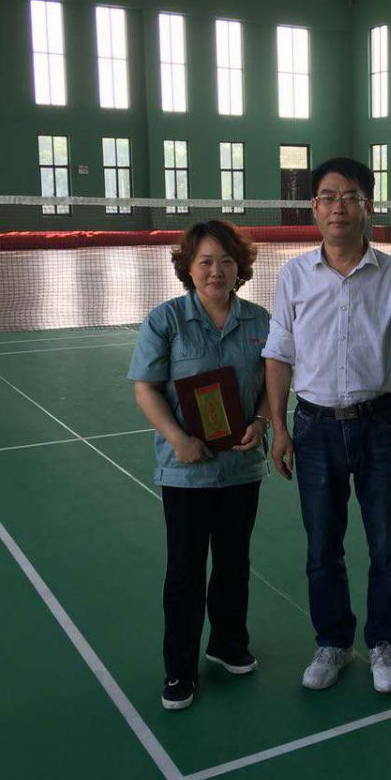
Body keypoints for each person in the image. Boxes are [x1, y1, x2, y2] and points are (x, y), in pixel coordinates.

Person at [263, 157, 391, 694]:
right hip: (314, 428)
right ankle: (333, 642)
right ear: (314, 208)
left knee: (387, 544)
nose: (339, 206)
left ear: (367, 206)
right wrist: (280, 427)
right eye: (328, 197)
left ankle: (384, 642)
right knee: (322, 546)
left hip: (381, 424)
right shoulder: (293, 275)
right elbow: (279, 353)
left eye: (349, 196)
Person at [128, 220, 271, 711]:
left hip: (241, 468)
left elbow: (273, 386)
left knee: (234, 562)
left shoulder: (260, 321)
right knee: (186, 570)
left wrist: (261, 423)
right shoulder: (165, 320)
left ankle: (228, 643)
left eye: (226, 261)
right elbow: (145, 388)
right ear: (188, 267)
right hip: (186, 471)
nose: (216, 271)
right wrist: (178, 439)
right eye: (206, 261)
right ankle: (179, 668)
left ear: (240, 267)